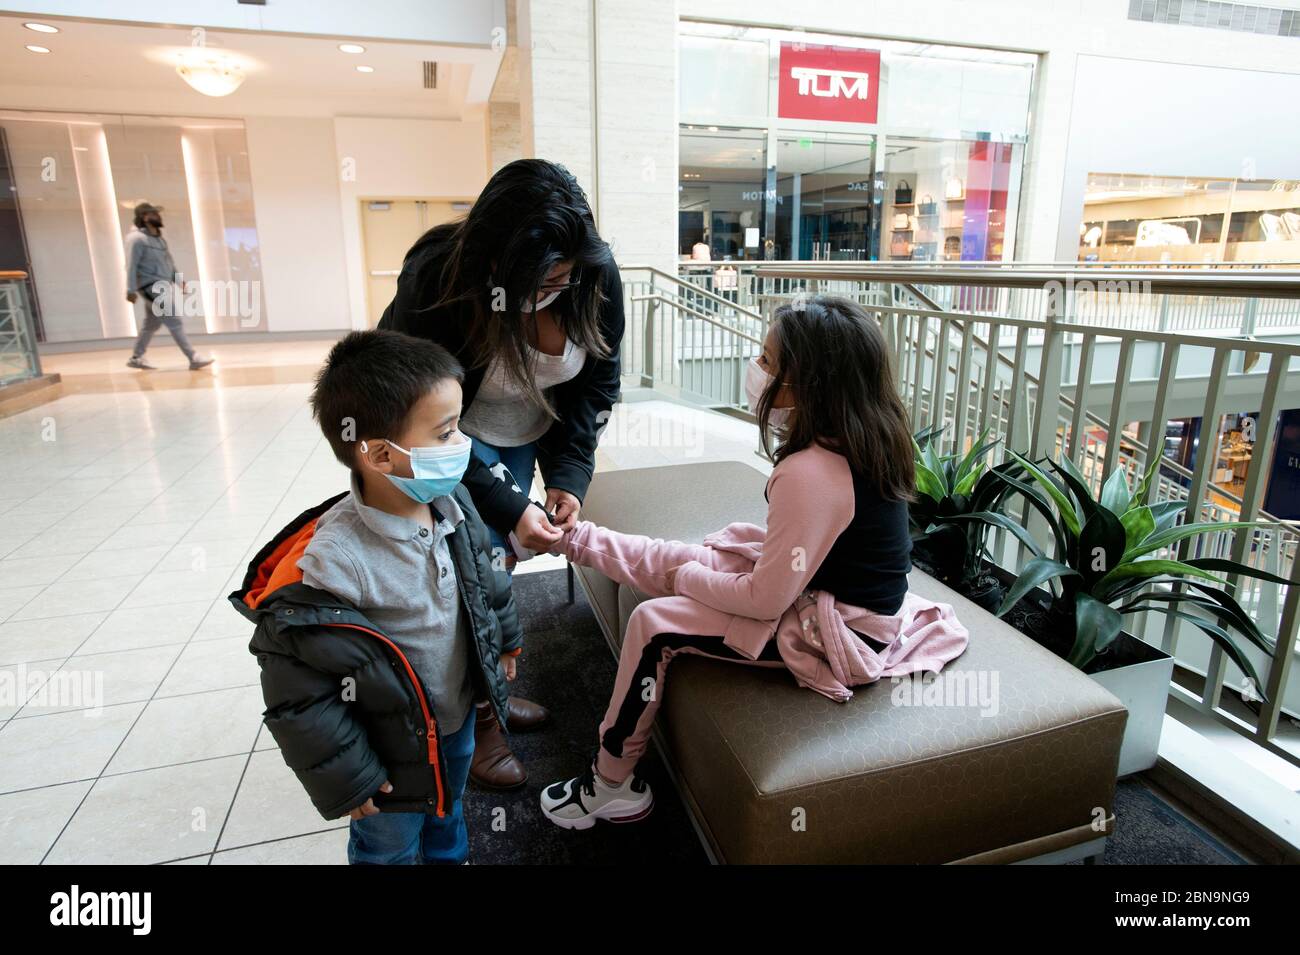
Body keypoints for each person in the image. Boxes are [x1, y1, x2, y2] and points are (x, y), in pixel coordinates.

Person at [539, 296, 928, 828]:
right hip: (815, 590)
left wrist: (687, 579)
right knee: (687, 556)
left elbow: (766, 599)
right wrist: (692, 571)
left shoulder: (811, 472)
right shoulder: (863, 437)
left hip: (838, 628)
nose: (757, 369)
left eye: (768, 361)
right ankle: (574, 539)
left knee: (654, 624)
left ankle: (610, 784)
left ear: (811, 382)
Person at [230, 329, 522, 864]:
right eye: (446, 432)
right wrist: (350, 776)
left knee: (448, 815)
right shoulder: (337, 559)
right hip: (387, 755)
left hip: (453, 722)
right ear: (382, 456)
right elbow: (297, 685)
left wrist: (505, 642)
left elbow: (487, 578)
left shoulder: (451, 502)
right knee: (387, 849)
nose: (464, 447)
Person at [379, 159, 622, 789]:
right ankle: (478, 722)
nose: (552, 290)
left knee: (496, 569)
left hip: (522, 433)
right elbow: (416, 415)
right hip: (439, 435)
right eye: (536, 280)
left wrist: (568, 477)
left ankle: (488, 681)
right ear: (492, 262)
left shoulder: (594, 276)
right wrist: (509, 504)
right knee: (465, 565)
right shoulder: (439, 278)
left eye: (561, 278)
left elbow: (596, 387)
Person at [123, 202, 213, 371]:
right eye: (154, 214)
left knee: (152, 324)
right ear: (145, 217)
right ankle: (193, 357)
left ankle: (136, 357)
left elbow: (169, 263)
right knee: (174, 321)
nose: (159, 216)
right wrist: (130, 289)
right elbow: (131, 265)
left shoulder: (159, 240)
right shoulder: (136, 240)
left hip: (162, 285)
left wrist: (179, 281)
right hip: (150, 286)